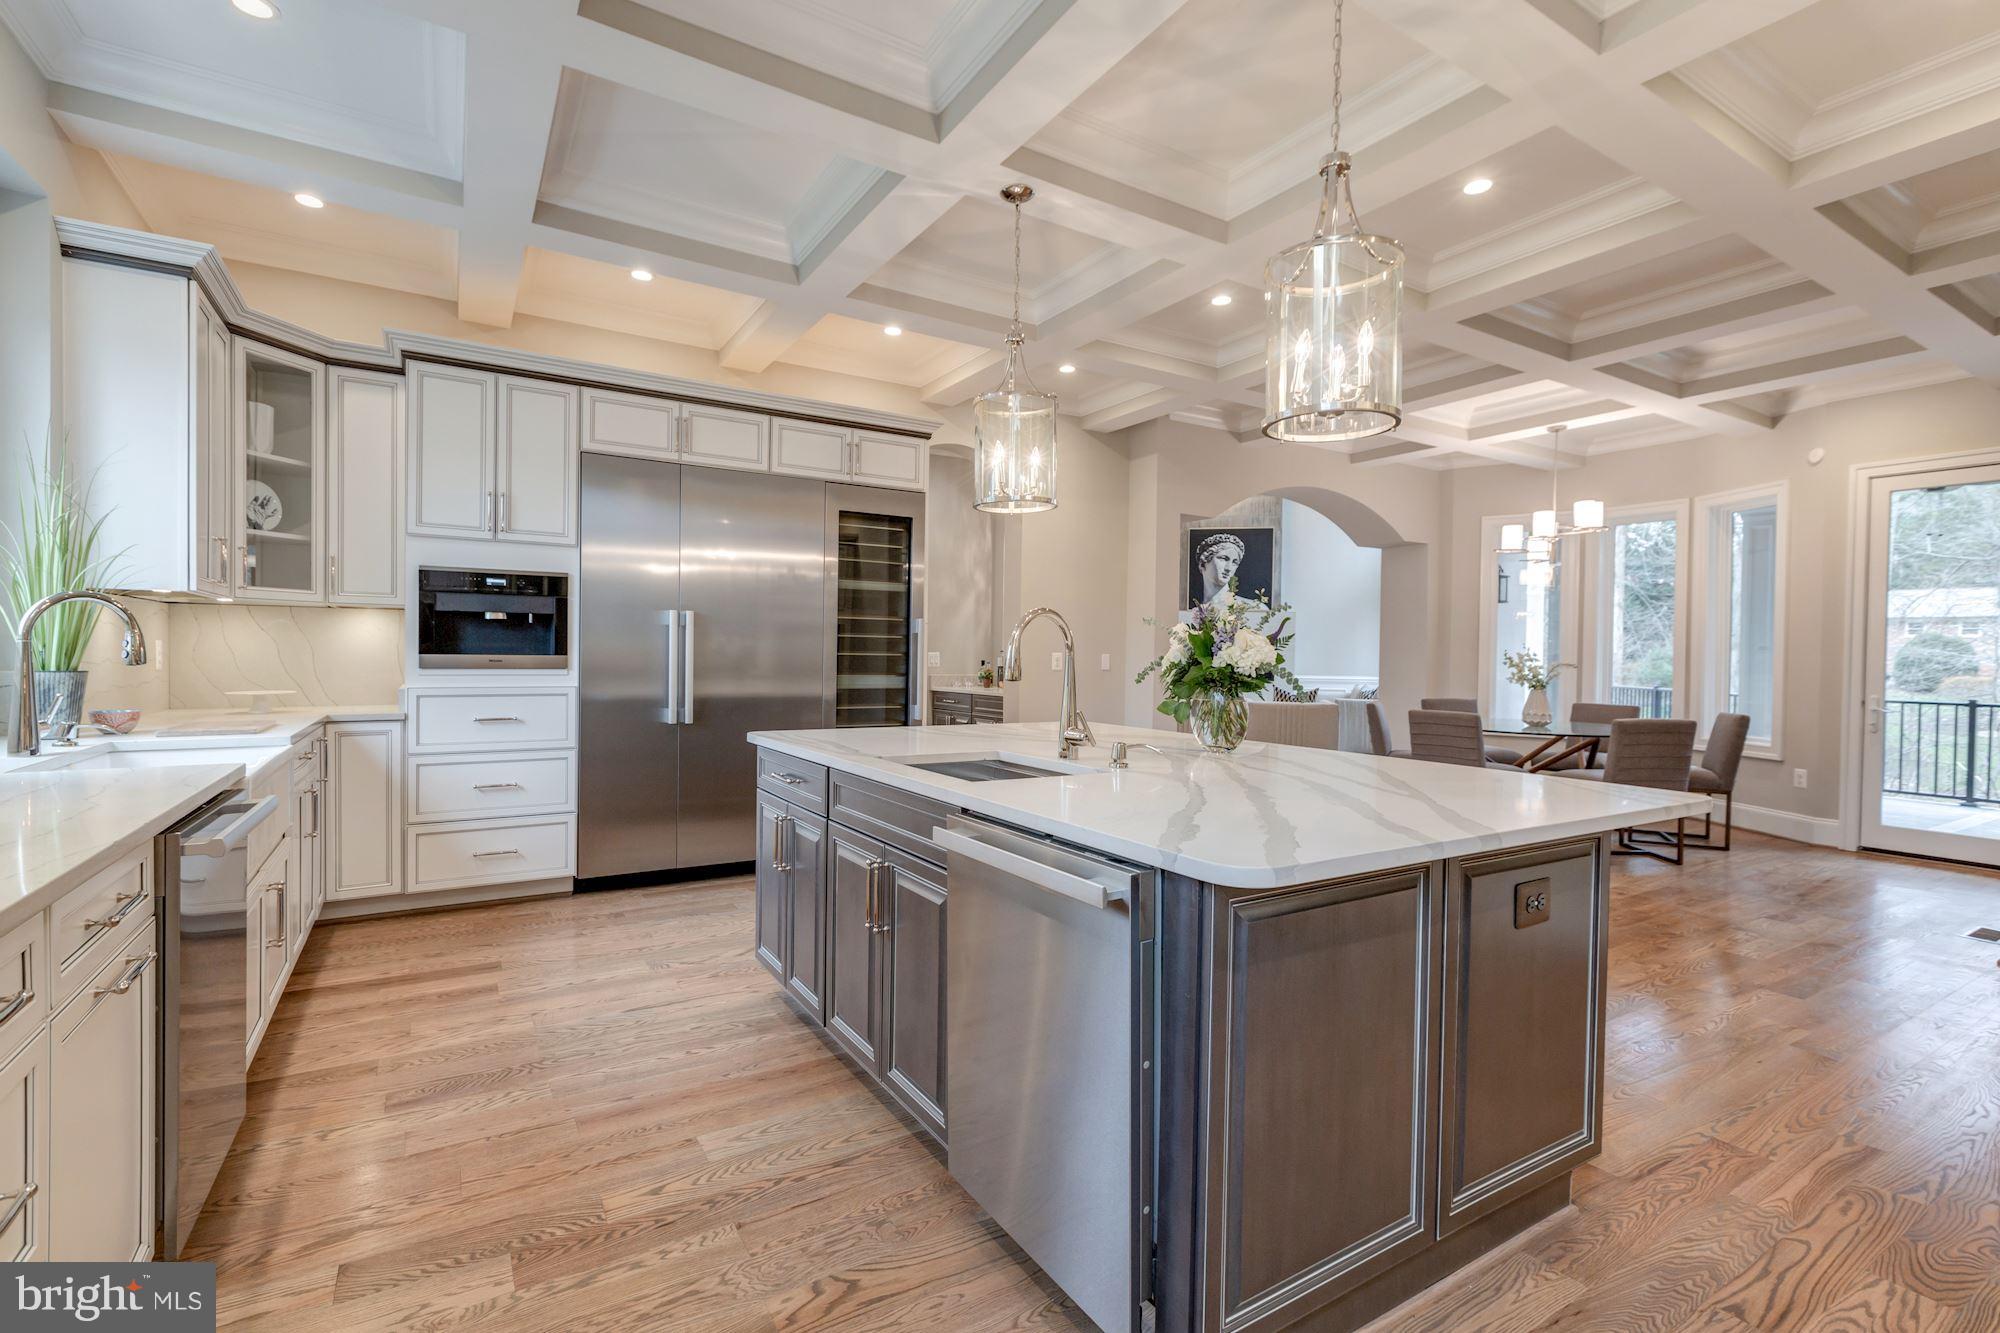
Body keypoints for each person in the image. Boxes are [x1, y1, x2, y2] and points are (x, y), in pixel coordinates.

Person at [1195, 532, 1246, 610]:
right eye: (1223, 559)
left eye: (1234, 562)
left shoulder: (1252, 608)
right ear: (1203, 564)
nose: (1229, 568)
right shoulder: (1194, 612)